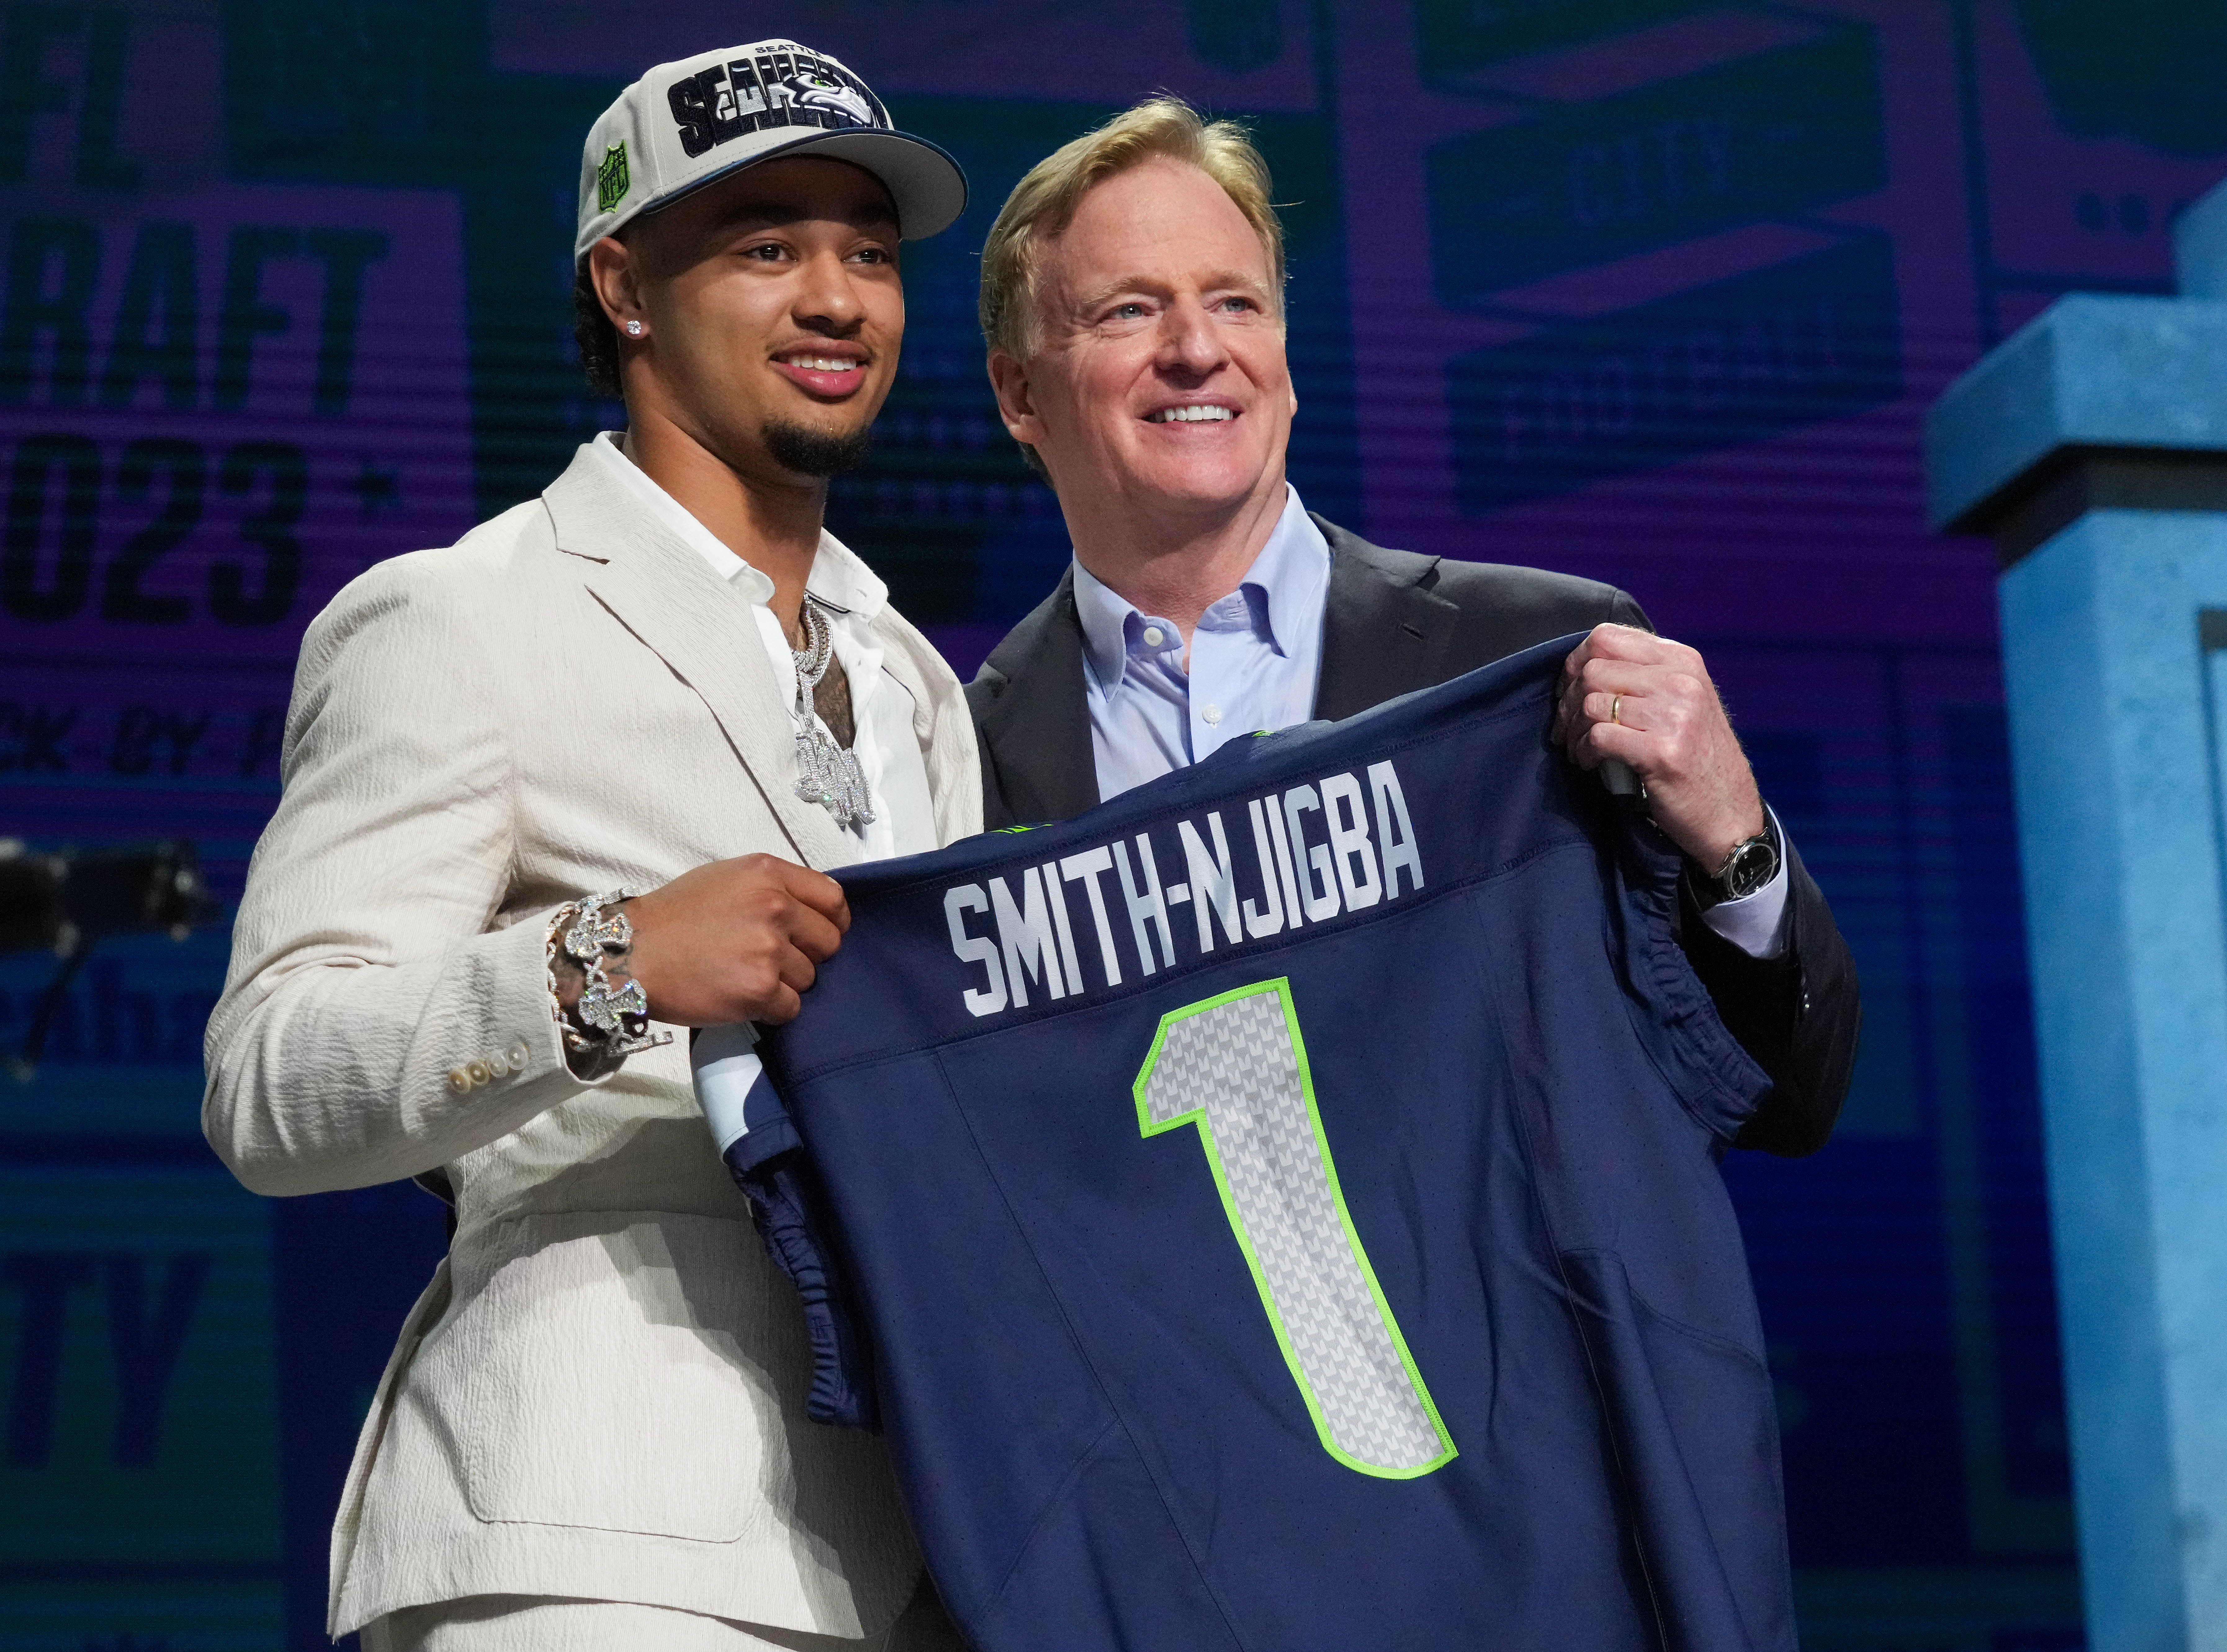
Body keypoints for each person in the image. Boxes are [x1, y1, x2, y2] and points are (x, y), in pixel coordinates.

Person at [203, 40, 976, 1652]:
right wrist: (612, 962)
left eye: (868, 253)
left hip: (927, 1544)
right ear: (624, 288)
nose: (835, 298)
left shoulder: (912, 679)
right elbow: (269, 1080)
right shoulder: (462, 617)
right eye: (767, 246)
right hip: (594, 1537)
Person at [967, 97, 1857, 1152]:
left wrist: (1735, 841)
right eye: (1128, 311)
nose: (1197, 349)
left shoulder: (1540, 656)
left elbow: (1787, 1096)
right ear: (1020, 394)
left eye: (1236, 303)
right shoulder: (958, 761)